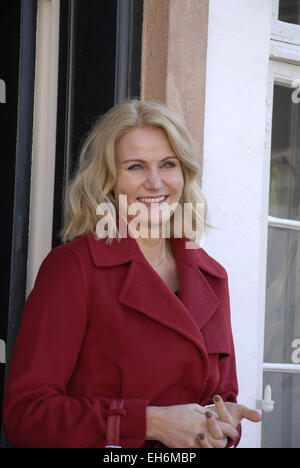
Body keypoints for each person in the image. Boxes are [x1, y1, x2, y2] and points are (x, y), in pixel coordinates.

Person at [3, 100, 261, 448]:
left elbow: (221, 405)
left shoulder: (212, 277)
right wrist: (149, 422)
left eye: (168, 164)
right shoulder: (73, 269)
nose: (155, 183)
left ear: (183, 174)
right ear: (108, 181)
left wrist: (221, 425)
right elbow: (27, 416)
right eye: (136, 167)